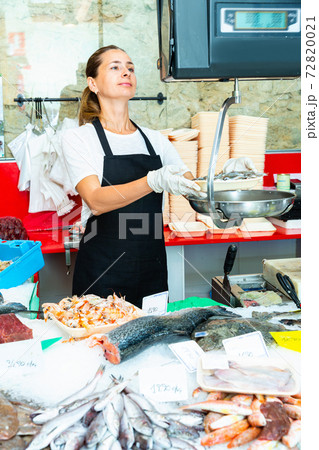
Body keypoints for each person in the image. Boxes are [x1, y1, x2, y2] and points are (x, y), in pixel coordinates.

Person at [62, 45, 203, 308]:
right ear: (93, 83)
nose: (126, 72)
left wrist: (228, 177)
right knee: (100, 347)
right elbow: (96, 200)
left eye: (130, 68)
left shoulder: (155, 140)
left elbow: (191, 185)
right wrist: (152, 181)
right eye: (115, 67)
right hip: (101, 274)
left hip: (151, 271)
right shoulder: (80, 138)